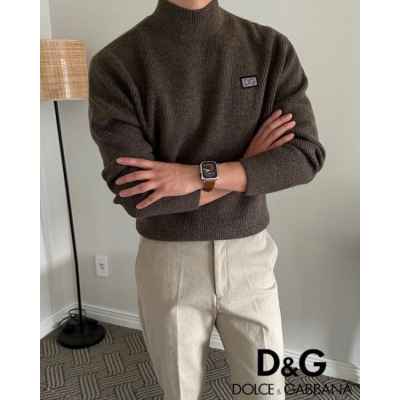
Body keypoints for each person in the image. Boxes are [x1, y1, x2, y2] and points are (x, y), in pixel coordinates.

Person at [88, 0, 325, 398]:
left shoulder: (269, 48)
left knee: (266, 390)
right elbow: (142, 197)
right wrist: (248, 164)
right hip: (169, 262)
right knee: (180, 392)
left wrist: (195, 176)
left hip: (250, 256)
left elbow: (303, 157)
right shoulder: (117, 63)